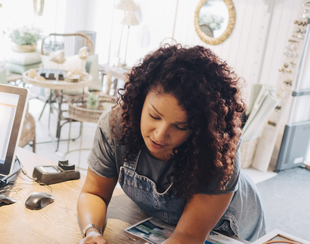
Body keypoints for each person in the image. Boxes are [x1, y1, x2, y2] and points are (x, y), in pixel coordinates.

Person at [77, 45, 266, 244]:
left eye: (180, 126)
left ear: (199, 129)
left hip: (231, 229)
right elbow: (94, 192)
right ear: (141, 100)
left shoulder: (216, 148)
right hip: (166, 224)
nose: (160, 135)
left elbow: (189, 235)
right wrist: (92, 232)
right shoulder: (116, 125)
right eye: (154, 116)